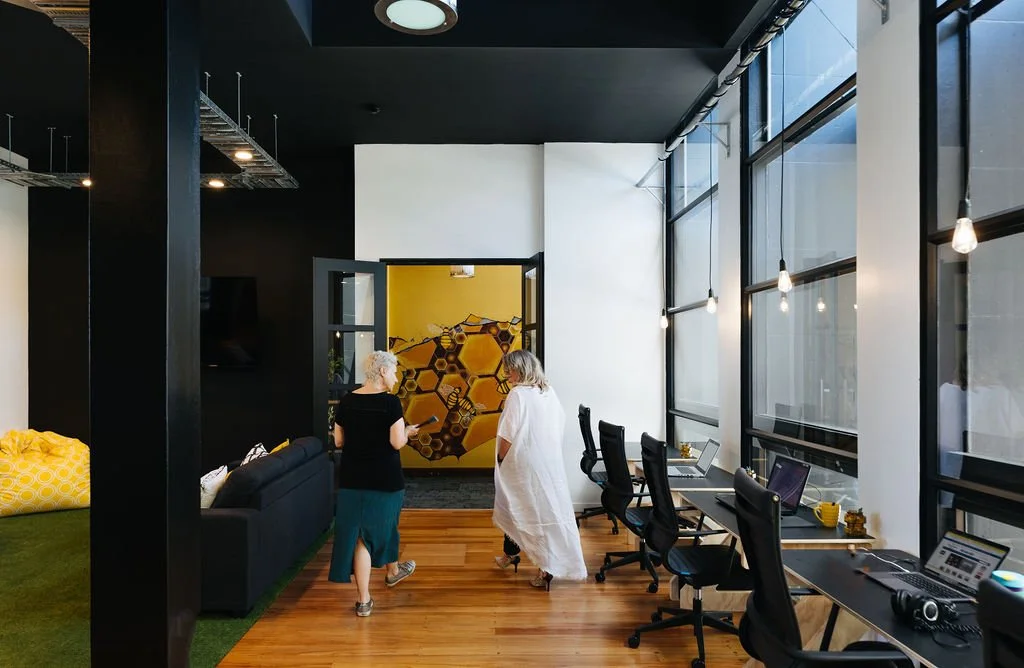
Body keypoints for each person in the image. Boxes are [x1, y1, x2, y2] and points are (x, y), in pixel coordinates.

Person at [328, 350, 420, 617]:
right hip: (385, 479)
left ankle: (364, 600)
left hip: (352, 478)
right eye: (393, 371)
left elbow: (339, 442)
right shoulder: (391, 404)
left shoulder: (346, 402)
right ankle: (392, 572)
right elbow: (396, 442)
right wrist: (407, 433)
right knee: (383, 528)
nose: (395, 376)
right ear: (382, 372)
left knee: (360, 538)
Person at [492, 349, 587, 590]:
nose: (507, 375)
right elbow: (558, 425)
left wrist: (502, 459)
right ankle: (510, 554)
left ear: (520, 369)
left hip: (523, 464)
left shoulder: (517, 395)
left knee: (527, 511)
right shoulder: (548, 392)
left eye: (509, 370)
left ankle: (545, 569)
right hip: (547, 462)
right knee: (538, 510)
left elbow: (508, 434)